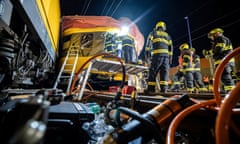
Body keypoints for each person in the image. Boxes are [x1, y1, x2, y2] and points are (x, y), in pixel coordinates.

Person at [145, 21, 173, 93]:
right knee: (164, 73)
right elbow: (171, 48)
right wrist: (170, 58)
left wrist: (147, 55)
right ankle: (164, 90)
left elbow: (148, 45)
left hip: (157, 56)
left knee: (153, 72)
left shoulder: (153, 33)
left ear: (157, 27)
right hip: (166, 58)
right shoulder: (167, 35)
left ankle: (151, 89)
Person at [207, 28, 235, 92]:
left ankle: (230, 94)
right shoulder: (221, 40)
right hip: (225, 61)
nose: (211, 38)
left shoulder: (220, 39)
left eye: (212, 36)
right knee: (225, 77)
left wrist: (210, 53)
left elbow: (218, 50)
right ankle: (230, 93)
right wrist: (209, 53)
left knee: (225, 77)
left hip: (224, 61)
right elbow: (216, 50)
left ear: (216, 34)